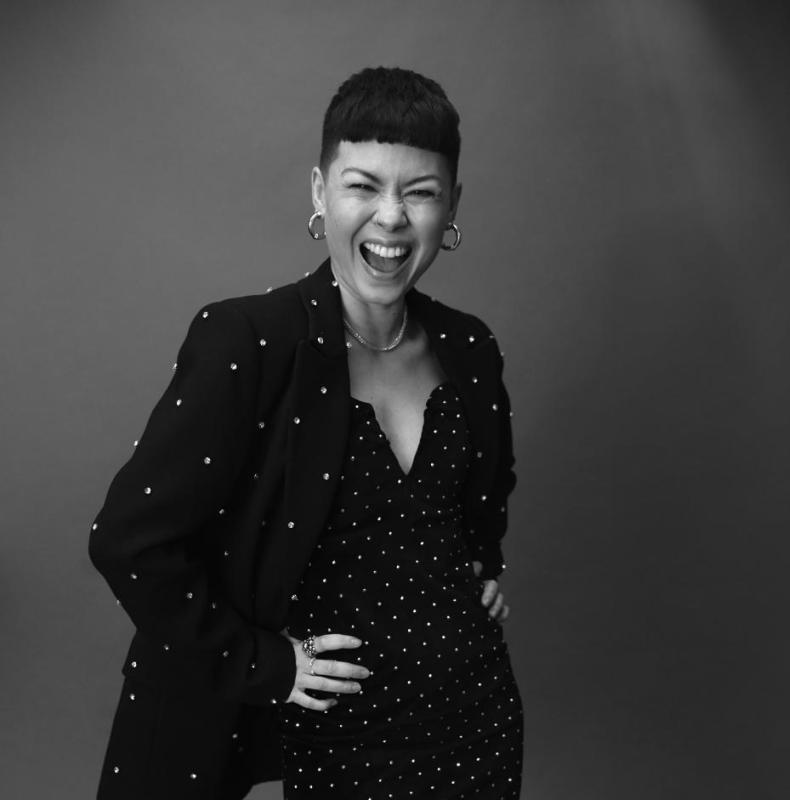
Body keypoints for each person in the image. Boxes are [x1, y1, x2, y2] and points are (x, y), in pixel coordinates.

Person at [89, 66, 523, 800]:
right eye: (363, 186)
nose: (391, 218)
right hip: (325, 730)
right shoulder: (249, 342)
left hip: (469, 722)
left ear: (451, 206)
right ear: (321, 194)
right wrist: (264, 665)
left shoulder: (471, 349)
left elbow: (483, 498)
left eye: (420, 193)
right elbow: (128, 541)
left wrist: (480, 571)